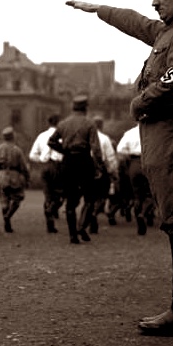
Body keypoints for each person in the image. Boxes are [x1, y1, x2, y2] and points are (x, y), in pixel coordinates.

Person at [67, 0, 173, 337]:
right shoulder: (168, 30)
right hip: (161, 130)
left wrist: (138, 103)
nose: (154, 1)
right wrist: (99, 9)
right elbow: (136, 23)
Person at [47, 95, 104, 245]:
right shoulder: (90, 123)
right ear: (85, 108)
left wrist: (64, 150)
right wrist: (99, 166)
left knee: (70, 200)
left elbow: (51, 142)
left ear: (73, 108)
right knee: (90, 198)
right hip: (84, 161)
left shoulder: (63, 124)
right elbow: (96, 148)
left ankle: (73, 235)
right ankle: (81, 226)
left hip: (68, 162)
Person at [117, 125, 155, 235]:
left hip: (134, 164)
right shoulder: (153, 132)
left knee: (137, 195)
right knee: (150, 194)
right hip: (149, 162)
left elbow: (120, 149)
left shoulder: (129, 133)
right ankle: (143, 213)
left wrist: (129, 157)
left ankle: (139, 222)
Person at [28, 114, 64, 233]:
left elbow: (32, 155)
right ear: (59, 123)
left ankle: (50, 224)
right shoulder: (62, 135)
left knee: (48, 195)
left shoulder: (41, 136)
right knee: (61, 193)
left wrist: (42, 159)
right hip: (58, 166)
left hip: (45, 167)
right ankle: (52, 210)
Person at [0, 126, 30, 233]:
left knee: (4, 200)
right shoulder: (17, 150)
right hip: (14, 176)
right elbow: (23, 166)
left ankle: (7, 223)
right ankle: (8, 216)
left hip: (1, 175)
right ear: (13, 136)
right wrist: (27, 178)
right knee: (18, 198)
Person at [89, 115, 119, 234]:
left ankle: (90, 213)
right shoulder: (105, 138)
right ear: (101, 126)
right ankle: (94, 213)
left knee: (89, 196)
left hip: (87, 168)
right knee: (103, 194)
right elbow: (110, 157)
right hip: (100, 168)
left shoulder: (87, 136)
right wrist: (113, 171)